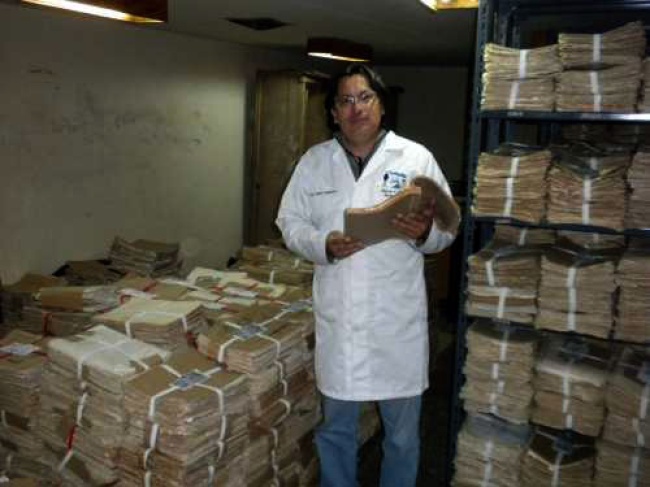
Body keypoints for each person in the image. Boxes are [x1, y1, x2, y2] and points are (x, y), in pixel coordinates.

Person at [275, 63, 457, 487]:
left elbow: (449, 226)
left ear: (381, 105)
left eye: (365, 97)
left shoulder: (416, 158)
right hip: (341, 322)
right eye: (345, 101)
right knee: (336, 432)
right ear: (334, 113)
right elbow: (289, 222)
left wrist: (424, 232)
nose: (356, 108)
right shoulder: (314, 162)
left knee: (402, 438)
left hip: (397, 326)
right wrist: (323, 244)